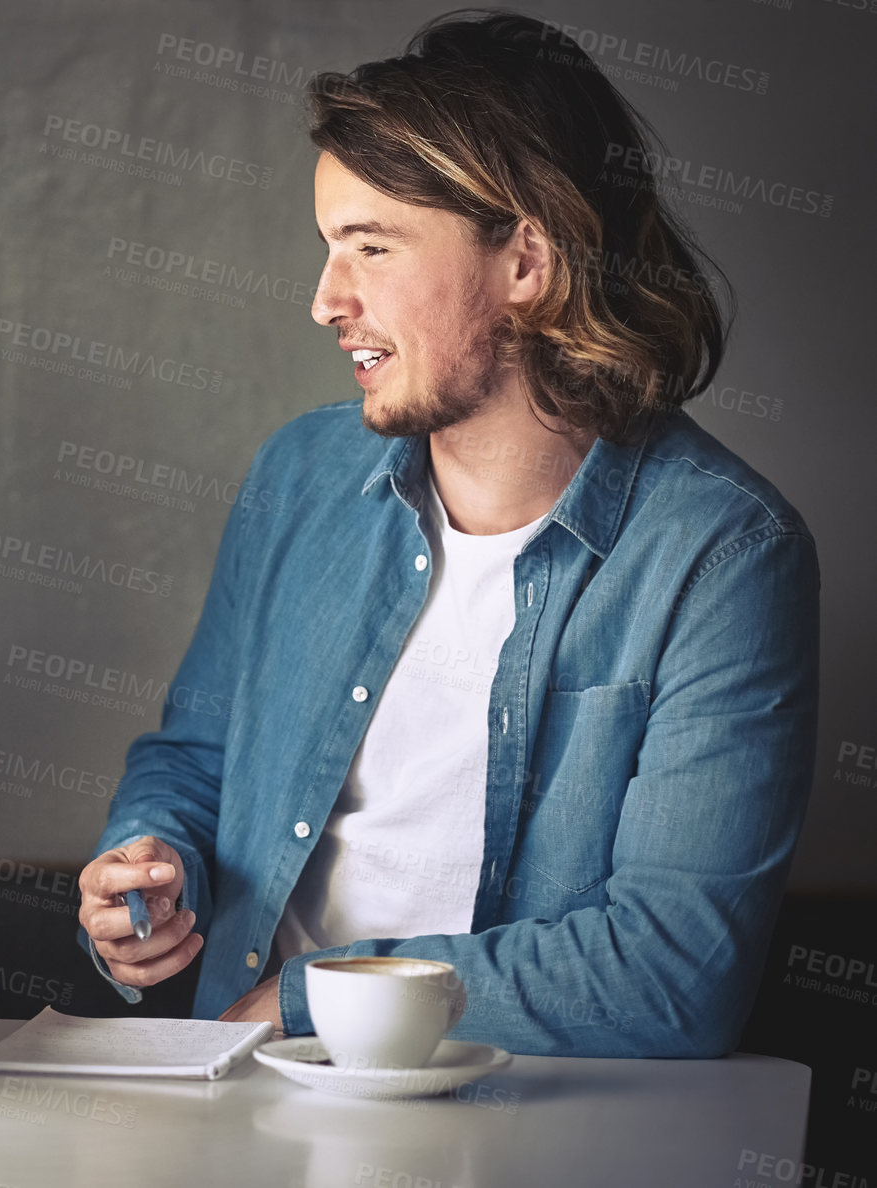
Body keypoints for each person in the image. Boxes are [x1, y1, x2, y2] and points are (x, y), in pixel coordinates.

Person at [76, 10, 819, 1057]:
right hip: (242, 1093)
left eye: (370, 247)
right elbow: (195, 754)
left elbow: (670, 973)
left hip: (519, 1123)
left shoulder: (723, 556)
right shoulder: (299, 475)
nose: (325, 299)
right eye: (329, 248)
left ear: (525, 260)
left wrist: (308, 997)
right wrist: (144, 864)